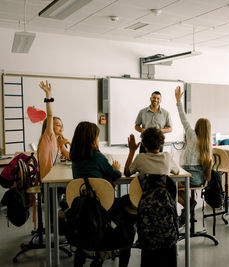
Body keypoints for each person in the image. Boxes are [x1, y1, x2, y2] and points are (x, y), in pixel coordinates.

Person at [70, 121, 133, 267]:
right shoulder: (97, 157)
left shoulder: (75, 158)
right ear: (92, 138)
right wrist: (116, 167)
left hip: (84, 209)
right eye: (97, 136)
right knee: (127, 208)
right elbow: (115, 174)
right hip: (102, 206)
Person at [124, 127, 179, 267]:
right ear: (162, 143)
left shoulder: (140, 158)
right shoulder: (167, 157)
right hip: (166, 216)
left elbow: (127, 172)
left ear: (143, 144)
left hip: (146, 216)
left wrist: (131, 151)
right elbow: (177, 171)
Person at [174, 86, 212, 225]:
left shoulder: (191, 135)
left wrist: (178, 100)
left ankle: (188, 207)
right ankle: (189, 207)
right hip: (200, 180)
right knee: (184, 188)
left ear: (197, 127)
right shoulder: (209, 143)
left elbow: (183, 118)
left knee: (171, 187)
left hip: (188, 177)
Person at [37, 80, 70, 180]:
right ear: (50, 127)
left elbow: (72, 157)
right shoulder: (48, 136)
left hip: (55, 178)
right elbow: (50, 115)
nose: (61, 127)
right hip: (47, 181)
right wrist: (48, 95)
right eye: (58, 125)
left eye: (61, 125)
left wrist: (69, 142)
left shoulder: (59, 142)